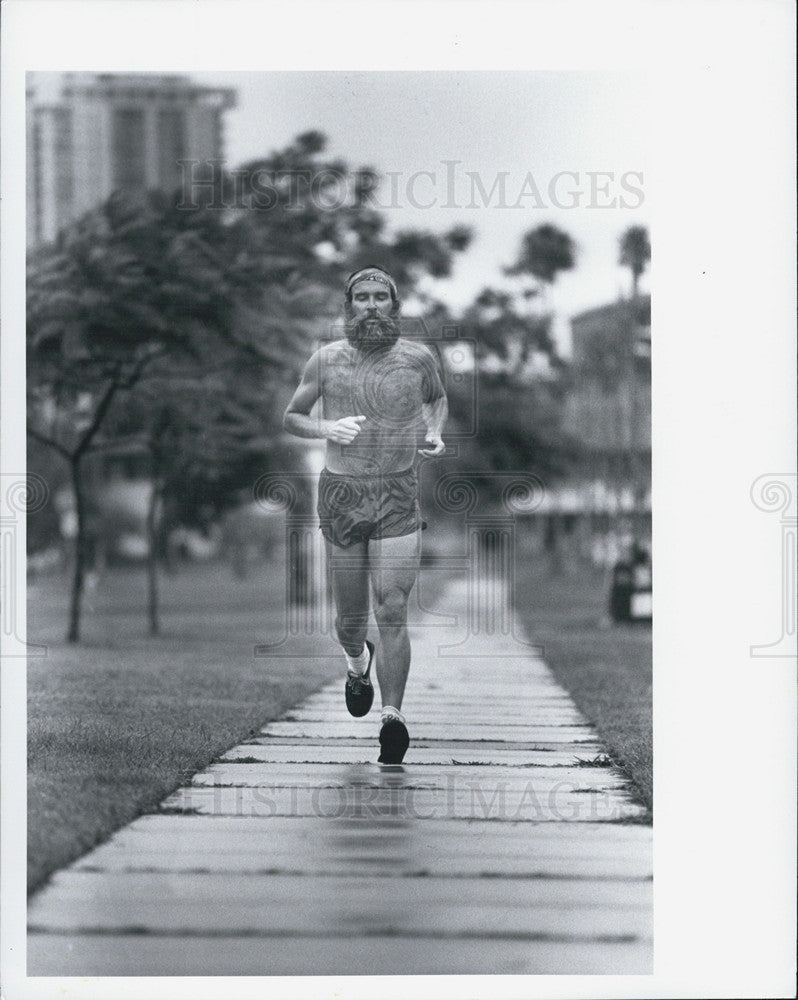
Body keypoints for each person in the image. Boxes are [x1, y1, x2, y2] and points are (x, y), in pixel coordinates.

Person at [283, 266, 447, 763]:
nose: (372, 305)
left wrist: (435, 431)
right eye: (362, 297)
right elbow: (291, 417)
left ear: (395, 307)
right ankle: (358, 662)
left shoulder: (418, 359)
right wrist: (327, 428)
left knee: (392, 608)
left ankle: (392, 718)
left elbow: (436, 399)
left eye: (381, 297)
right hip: (342, 494)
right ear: (349, 305)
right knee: (351, 620)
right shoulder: (326, 361)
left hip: (398, 491)